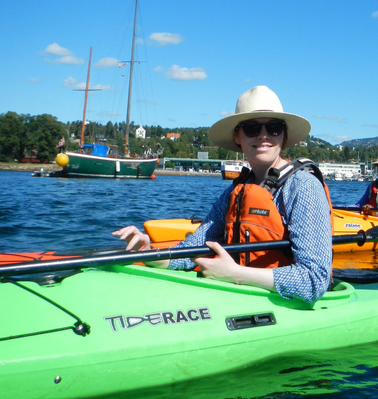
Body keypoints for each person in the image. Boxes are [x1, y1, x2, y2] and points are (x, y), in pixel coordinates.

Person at [112, 85, 333, 305]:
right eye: (251, 128)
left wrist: (236, 274)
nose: (263, 135)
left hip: (283, 305)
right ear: (238, 136)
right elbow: (192, 250)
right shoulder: (234, 193)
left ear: (283, 136)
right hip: (241, 297)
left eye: (274, 128)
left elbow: (314, 280)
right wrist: (151, 253)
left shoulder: (304, 187)